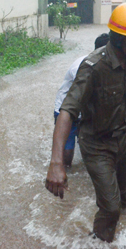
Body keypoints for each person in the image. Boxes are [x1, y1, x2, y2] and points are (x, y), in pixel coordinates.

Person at [45, 2, 126, 243]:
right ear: (120, 38)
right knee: (111, 209)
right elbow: (67, 111)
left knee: (124, 197)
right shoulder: (93, 67)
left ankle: (123, 228)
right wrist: (56, 163)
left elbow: (120, 95)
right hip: (98, 145)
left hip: (124, 138)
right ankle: (100, 241)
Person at [53, 33, 110, 168]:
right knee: (66, 155)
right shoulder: (83, 65)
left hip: (85, 112)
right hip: (67, 111)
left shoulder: (104, 66)